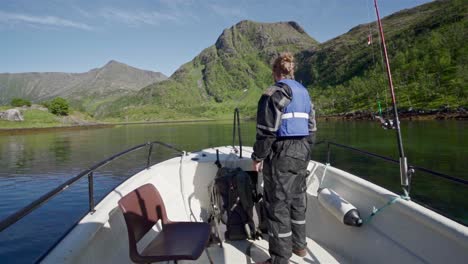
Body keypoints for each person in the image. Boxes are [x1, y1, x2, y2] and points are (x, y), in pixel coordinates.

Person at [252, 52, 317, 264]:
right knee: (297, 200)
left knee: (278, 206)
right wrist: (306, 149)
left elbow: (266, 131)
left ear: (275, 72)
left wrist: (257, 157)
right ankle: (299, 247)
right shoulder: (304, 93)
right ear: (291, 71)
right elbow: (312, 128)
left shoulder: (274, 93)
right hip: (303, 151)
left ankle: (280, 259)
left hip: (282, 152)